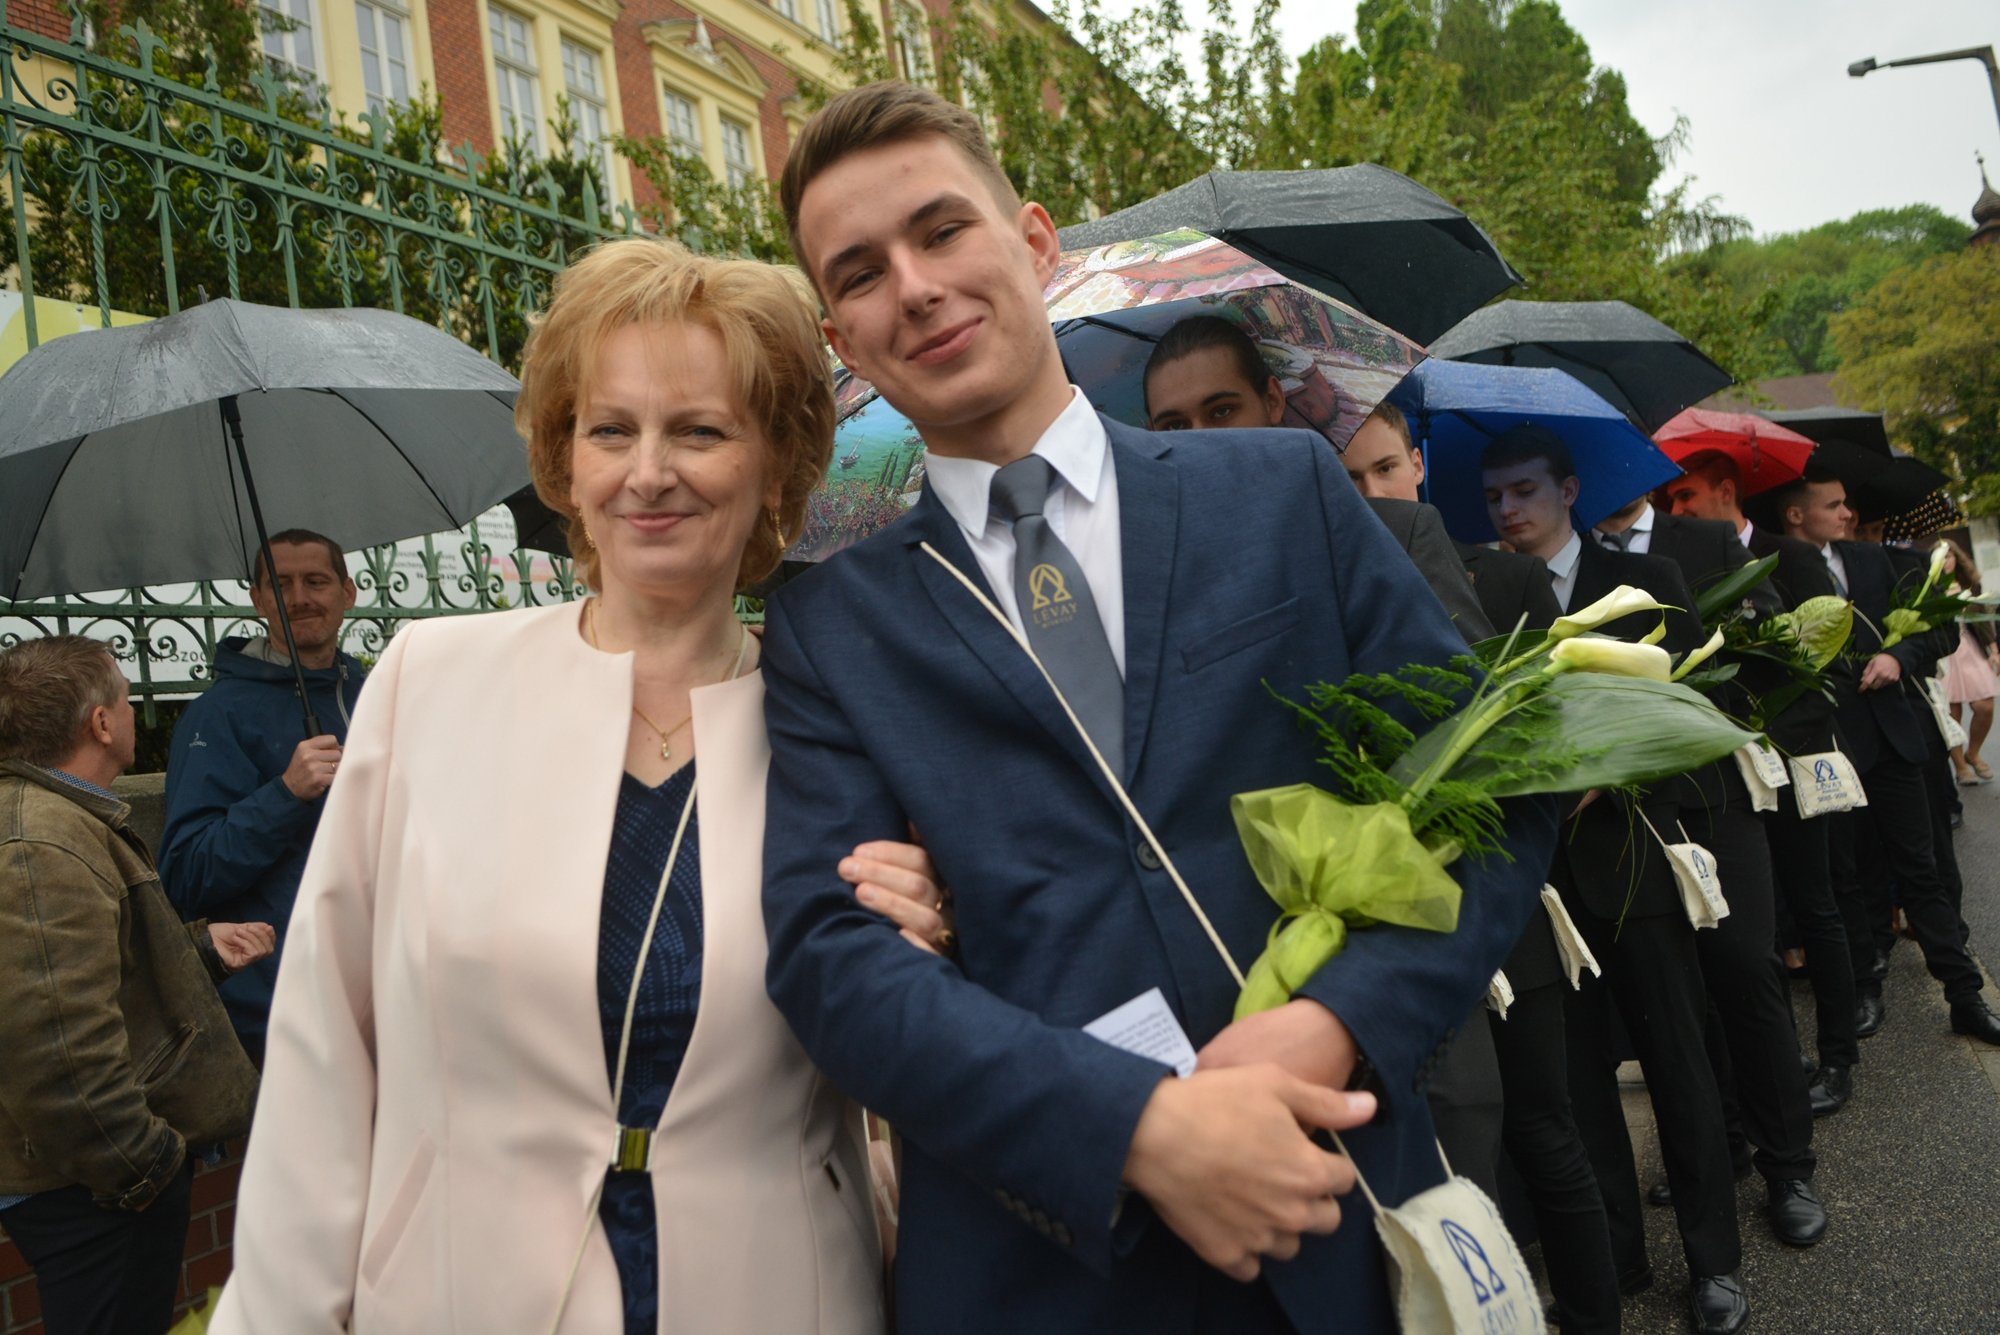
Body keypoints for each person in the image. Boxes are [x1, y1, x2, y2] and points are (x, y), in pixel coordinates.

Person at [761, 81, 1559, 1335]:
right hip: (1041, 1269)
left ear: (1036, 243)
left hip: (1333, 1205)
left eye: (941, 230)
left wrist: (1336, 1021)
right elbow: (832, 964)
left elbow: (1491, 785)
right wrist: (1134, 1129)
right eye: (859, 274)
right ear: (842, 340)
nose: (912, 286)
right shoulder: (827, 626)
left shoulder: (1283, 491)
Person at [210, 239, 952, 1334]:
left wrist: (932, 951)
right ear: (566, 456)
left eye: (699, 430)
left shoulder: (846, 723)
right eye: (610, 430)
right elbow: (324, 1049)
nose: (648, 472)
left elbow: (909, 1063)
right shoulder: (429, 683)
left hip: (772, 1292)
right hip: (458, 1295)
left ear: (778, 464)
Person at [1483, 426, 1749, 1335]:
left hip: (1634, 860)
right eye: (1494, 496)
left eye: (1524, 490)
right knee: (1579, 1083)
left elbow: (1702, 712)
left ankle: (1714, 1259)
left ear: (1568, 490)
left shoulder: (1646, 581)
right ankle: (1616, 1252)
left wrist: (1610, 767)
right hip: (1544, 882)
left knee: (1677, 1060)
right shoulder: (1488, 597)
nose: (1508, 510)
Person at [0, 636, 267, 1335]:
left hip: (93, 1178)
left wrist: (196, 951)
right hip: (91, 1189)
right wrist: (148, 1168)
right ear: (100, 723)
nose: (129, 710)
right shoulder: (40, 843)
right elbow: (53, 1045)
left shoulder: (62, 821)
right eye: (122, 696)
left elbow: (79, 975)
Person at [1600, 478, 1828, 1248]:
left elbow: (1767, 649)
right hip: (1627, 808)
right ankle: (1717, 1143)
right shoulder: (1553, 566)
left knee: (1746, 970)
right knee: (1675, 993)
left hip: (1713, 792)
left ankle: (1788, 1165)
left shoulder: (1705, 541)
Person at [1773, 470, 2000, 1047]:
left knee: (1921, 870)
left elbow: (1941, 630)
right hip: (1826, 750)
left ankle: (1965, 996)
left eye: (1846, 504)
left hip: (1894, 742)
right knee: (1850, 878)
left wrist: (1899, 656)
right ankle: (1865, 989)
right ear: (1796, 515)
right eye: (1833, 505)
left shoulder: (1876, 561)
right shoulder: (1771, 569)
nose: (1847, 514)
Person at [1666, 452, 1857, 1115]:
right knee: (1757, 933)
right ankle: (1781, 1058)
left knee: (1816, 907)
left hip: (1790, 759)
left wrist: (1761, 734)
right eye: (1671, 499)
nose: (1678, 509)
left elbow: (1825, 669)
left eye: (1687, 495)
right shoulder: (1677, 559)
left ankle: (1839, 1055)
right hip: (1729, 776)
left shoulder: (1790, 556)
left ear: (1725, 491)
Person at [1141, 316, 1495, 642]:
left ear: (1272, 400)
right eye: (1175, 426)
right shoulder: (1154, 583)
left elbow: (1475, 677)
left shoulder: (1397, 534)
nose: (1200, 439)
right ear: (1150, 434)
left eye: (1222, 411)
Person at [159, 529, 367, 1063]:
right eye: (281, 584)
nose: (299, 598)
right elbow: (187, 874)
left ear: (348, 592)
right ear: (258, 598)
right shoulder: (217, 716)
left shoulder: (377, 695)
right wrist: (286, 793)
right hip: (287, 1008)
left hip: (389, 985)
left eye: (315, 581)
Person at [1345, 400, 1563, 638]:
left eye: (1386, 468)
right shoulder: (1334, 589)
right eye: (1350, 478)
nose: (1373, 493)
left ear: (1417, 466)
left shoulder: (1516, 578)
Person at [1936, 539, 1997, 784]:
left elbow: (1982, 620)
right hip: (1944, 652)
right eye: (1940, 557)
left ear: (1957, 558)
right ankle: (1961, 767)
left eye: (1949, 556)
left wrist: (1994, 650)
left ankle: (1973, 752)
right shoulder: (1929, 586)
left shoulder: (1969, 584)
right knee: (1952, 713)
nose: (1945, 561)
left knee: (1985, 706)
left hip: (1970, 648)